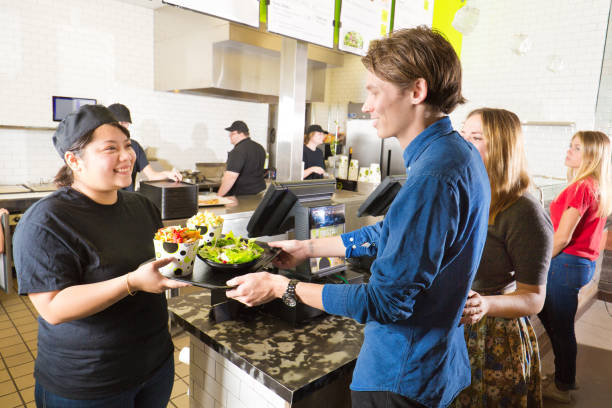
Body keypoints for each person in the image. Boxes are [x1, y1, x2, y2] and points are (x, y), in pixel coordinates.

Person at [225, 27, 491, 408]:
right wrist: (309, 246)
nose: (366, 106)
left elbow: (384, 303)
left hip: (399, 376)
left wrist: (279, 287)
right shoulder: (459, 154)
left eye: (374, 91)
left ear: (416, 92)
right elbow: (395, 232)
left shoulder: (432, 177)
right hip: (438, 363)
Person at [13, 104, 188, 407]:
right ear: (74, 160)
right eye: (111, 149)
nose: (127, 157)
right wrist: (131, 282)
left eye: (127, 146)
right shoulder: (46, 221)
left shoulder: (141, 206)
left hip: (155, 364)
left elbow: (160, 262)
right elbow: (53, 308)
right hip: (90, 382)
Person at [454, 108, 553, 407]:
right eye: (462, 134)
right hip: (452, 328)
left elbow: (533, 298)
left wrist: (485, 304)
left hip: (492, 336)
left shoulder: (524, 211)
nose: (463, 142)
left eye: (475, 137)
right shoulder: (466, 193)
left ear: (501, 147)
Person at [537, 131, 612, 403]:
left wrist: (538, 263)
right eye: (571, 145)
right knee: (557, 323)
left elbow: (563, 236)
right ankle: (564, 376)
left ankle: (563, 385)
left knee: (560, 327)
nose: (569, 151)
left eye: (577, 148)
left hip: (566, 264)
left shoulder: (581, 187)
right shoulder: (596, 185)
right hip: (581, 265)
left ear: (591, 156)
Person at [107, 103, 182, 191]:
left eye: (124, 123)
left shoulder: (134, 146)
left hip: (127, 201)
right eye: (116, 122)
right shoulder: (102, 147)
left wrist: (168, 174)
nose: (121, 126)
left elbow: (152, 176)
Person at [217, 120, 266, 197]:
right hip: (259, 194)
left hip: (242, 197)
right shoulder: (260, 147)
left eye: (232, 133)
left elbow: (231, 177)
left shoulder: (237, 151)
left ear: (240, 133)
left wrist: (218, 197)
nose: (229, 136)